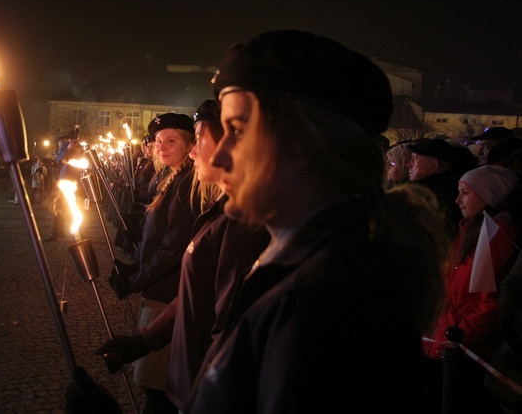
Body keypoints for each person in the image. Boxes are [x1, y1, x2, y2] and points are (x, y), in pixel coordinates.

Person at [67, 30, 451, 413]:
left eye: (236, 131)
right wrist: (146, 340)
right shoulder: (305, 263)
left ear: (304, 144)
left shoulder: (323, 302)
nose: (216, 160)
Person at [95, 100, 269, 412]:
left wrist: (135, 279)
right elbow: (196, 292)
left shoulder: (242, 224)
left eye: (198, 138)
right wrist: (143, 340)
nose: (191, 153)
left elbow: (225, 330)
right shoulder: (222, 211)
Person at [107, 112, 198, 414]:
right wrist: (135, 265)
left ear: (189, 145)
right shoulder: (171, 178)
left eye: (171, 140)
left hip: (165, 294)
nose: (161, 146)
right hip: (156, 289)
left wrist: (135, 281)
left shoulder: (186, 184)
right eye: (159, 140)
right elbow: (156, 238)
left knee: (156, 385)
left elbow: (172, 251)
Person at [422, 164, 520, 412]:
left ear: (487, 196)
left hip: (466, 350)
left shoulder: (494, 238)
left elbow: (488, 305)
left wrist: (454, 337)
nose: (457, 200)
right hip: (449, 342)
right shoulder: (468, 233)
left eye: (465, 193)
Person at [408, 137, 465, 236]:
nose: (408, 164)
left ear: (433, 165)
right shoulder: (432, 189)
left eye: (414, 159)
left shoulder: (437, 196)